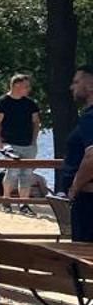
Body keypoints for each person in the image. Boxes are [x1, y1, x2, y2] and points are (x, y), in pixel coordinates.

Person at [0, 74, 44, 198]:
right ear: (16, 85)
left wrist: (34, 141)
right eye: (26, 86)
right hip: (10, 143)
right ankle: (6, 199)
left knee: (27, 174)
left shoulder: (30, 103)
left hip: (28, 144)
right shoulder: (3, 102)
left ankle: (24, 203)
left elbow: (36, 122)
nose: (28, 89)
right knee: (12, 173)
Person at [63, 65, 93, 239]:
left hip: (89, 201)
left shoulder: (90, 117)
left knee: (84, 260)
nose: (72, 87)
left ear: (90, 86)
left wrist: (74, 188)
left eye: (76, 82)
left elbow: (91, 156)